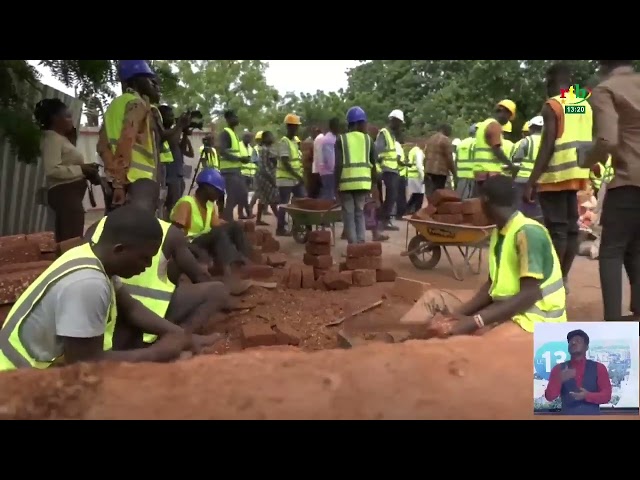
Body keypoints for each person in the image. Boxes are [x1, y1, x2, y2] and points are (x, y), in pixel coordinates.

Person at [0, 205, 223, 371]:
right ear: (119, 250)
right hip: (17, 381)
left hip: (38, 368)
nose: (147, 267)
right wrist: (160, 352)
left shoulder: (91, 256)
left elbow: (132, 308)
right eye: (144, 258)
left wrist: (181, 335)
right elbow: (85, 364)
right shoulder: (88, 284)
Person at [400, 175, 567, 339]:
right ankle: (402, 343)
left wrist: (475, 321)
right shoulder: (500, 232)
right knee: (433, 299)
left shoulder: (528, 233)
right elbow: (491, 285)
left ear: (485, 200)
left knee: (475, 344)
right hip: (504, 306)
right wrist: (457, 315)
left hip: (535, 319)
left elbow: (530, 294)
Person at [84, 179, 231, 347]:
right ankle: (179, 339)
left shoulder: (97, 227)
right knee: (217, 290)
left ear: (127, 198)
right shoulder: (169, 233)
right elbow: (198, 275)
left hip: (108, 319)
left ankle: (175, 338)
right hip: (154, 317)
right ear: (159, 202)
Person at [524, 63, 592, 294]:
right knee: (571, 229)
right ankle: (562, 278)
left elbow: (547, 146)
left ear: (550, 82)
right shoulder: (580, 104)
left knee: (558, 230)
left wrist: (532, 181)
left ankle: (553, 280)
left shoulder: (553, 105)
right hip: (577, 174)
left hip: (555, 175)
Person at [583, 60, 640, 320]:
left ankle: (613, 322)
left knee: (611, 251)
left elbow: (607, 138)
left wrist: (586, 160)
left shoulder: (606, 90)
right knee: (636, 248)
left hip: (628, 180)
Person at [97, 60, 184, 212]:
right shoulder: (136, 104)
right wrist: (120, 182)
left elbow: (102, 146)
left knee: (116, 229)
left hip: (116, 180)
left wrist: (114, 179)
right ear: (137, 81)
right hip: (138, 181)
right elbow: (127, 139)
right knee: (140, 229)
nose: (154, 84)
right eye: (150, 81)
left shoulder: (113, 106)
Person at [170, 168, 253, 281]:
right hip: (189, 245)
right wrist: (198, 253)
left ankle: (244, 262)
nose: (218, 195)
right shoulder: (187, 203)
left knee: (234, 227)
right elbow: (174, 233)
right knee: (217, 233)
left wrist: (233, 224)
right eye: (217, 191)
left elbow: (217, 226)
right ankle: (230, 271)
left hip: (205, 241)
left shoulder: (210, 206)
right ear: (206, 188)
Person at [35, 98, 99, 242]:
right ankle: (69, 263)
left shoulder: (61, 139)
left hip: (71, 196)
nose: (71, 120)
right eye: (67, 116)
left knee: (71, 237)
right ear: (55, 119)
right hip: (65, 195)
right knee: (71, 240)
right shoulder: (52, 138)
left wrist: (87, 169)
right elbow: (52, 170)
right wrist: (82, 170)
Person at [544, 329, 612, 415]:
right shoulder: (558, 369)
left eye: (578, 341)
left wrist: (587, 396)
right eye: (571, 342)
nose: (573, 343)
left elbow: (607, 396)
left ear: (586, 347)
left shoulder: (599, 368)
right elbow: (549, 397)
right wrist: (558, 379)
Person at [334, 107, 376, 244]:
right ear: (358, 123)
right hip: (363, 183)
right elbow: (373, 164)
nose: (366, 125)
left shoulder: (342, 140)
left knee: (349, 213)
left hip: (346, 183)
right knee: (359, 212)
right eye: (364, 122)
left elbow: (338, 164)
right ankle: (361, 241)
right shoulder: (368, 140)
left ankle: (353, 244)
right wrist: (374, 184)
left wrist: (336, 185)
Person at [158, 104, 194, 215]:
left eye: (173, 116)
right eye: (169, 116)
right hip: (168, 176)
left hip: (177, 175)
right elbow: (172, 142)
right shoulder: (162, 133)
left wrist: (184, 133)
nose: (172, 118)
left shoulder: (173, 132)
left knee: (176, 206)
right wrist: (180, 125)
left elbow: (182, 149)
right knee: (170, 207)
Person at [217, 110, 251, 221]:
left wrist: (242, 160)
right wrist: (239, 158)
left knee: (242, 195)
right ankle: (228, 221)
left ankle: (226, 218)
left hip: (236, 170)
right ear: (228, 119)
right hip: (229, 172)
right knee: (233, 197)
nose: (237, 119)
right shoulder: (225, 133)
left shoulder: (234, 134)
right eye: (234, 117)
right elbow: (222, 151)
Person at [275, 114, 306, 237]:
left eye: (296, 127)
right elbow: (285, 162)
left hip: (295, 178)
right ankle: (280, 228)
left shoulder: (294, 141)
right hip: (285, 178)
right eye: (294, 127)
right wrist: (298, 176)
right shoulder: (284, 141)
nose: (296, 129)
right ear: (288, 127)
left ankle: (297, 225)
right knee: (284, 203)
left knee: (301, 201)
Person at [473, 100, 518, 185]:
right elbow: (496, 149)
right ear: (505, 112)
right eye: (509, 117)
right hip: (490, 173)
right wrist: (510, 165)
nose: (508, 120)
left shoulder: (484, 124)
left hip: (480, 172)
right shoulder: (495, 125)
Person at [375, 110, 405, 231]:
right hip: (386, 169)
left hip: (393, 169)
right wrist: (378, 168)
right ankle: (383, 220)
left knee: (392, 196)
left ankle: (385, 220)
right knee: (391, 195)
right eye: (399, 122)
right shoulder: (384, 133)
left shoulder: (391, 135)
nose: (400, 125)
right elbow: (377, 152)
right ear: (393, 120)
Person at [512, 116, 543, 219]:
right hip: (541, 180)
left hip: (522, 179)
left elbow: (516, 161)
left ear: (531, 128)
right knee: (537, 210)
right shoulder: (548, 141)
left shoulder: (526, 141)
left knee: (520, 210)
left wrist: (513, 177)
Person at [252, 131, 280, 226]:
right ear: (265, 138)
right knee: (272, 199)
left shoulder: (268, 149)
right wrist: (271, 179)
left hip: (264, 176)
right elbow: (263, 167)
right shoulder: (264, 149)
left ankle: (258, 220)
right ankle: (280, 220)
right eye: (270, 136)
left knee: (263, 199)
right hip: (264, 177)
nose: (272, 138)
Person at [424, 124, 456, 195]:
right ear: (446, 130)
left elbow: (425, 155)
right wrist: (454, 173)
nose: (449, 134)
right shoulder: (445, 140)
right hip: (439, 172)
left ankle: (429, 206)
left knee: (429, 195)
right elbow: (449, 158)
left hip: (428, 171)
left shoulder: (430, 139)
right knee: (438, 195)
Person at [319, 118, 341, 200]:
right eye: (338, 126)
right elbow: (329, 158)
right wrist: (335, 169)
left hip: (332, 172)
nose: (339, 128)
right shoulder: (328, 140)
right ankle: (324, 211)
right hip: (329, 172)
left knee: (331, 194)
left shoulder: (335, 138)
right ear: (333, 127)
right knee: (329, 195)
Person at [455, 123, 479, 199]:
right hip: (473, 175)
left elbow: (456, 160)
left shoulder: (461, 143)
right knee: (472, 200)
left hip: (461, 175)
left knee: (460, 199)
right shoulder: (477, 143)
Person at [238, 131, 256, 219]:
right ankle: (243, 213)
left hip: (249, 175)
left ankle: (246, 213)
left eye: (250, 138)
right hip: (241, 173)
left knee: (245, 195)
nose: (248, 139)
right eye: (247, 137)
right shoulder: (238, 146)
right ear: (243, 137)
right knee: (243, 194)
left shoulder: (250, 148)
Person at [405, 143, 425, 214]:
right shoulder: (419, 152)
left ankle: (408, 209)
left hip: (411, 175)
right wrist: (423, 177)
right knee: (420, 195)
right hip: (417, 176)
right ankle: (417, 212)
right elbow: (419, 165)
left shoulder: (412, 150)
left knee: (416, 194)